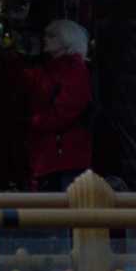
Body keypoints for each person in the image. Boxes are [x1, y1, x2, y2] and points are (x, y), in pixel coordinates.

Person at [13, 14, 97, 187]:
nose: (46, 39)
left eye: (52, 36)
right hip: (49, 154)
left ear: (67, 40)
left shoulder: (74, 69)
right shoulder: (51, 68)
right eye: (46, 35)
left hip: (65, 157)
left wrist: (34, 122)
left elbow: (66, 111)